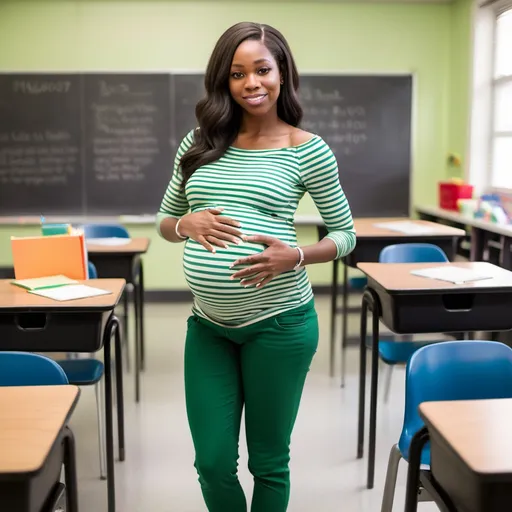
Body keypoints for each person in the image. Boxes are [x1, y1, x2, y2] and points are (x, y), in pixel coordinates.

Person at [156, 21, 356, 512]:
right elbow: (164, 221)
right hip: (208, 328)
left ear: (282, 72)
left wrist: (297, 256)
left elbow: (346, 234)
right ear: (223, 80)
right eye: (237, 73)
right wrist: (186, 224)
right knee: (212, 462)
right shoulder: (197, 143)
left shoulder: (307, 149)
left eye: (262, 70)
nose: (252, 83)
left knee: (268, 462)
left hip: (280, 325)